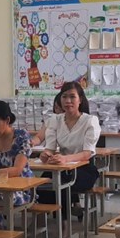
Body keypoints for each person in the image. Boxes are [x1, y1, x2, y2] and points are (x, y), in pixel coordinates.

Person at [39, 81, 100, 216]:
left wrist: (65, 159)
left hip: (84, 169)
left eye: (72, 97)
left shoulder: (90, 121)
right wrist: (46, 154)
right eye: (64, 97)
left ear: (80, 100)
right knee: (40, 185)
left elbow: (87, 153)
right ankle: (41, 221)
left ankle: (64, 225)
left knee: (63, 186)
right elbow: (50, 148)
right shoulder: (55, 120)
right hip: (61, 167)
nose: (68, 101)